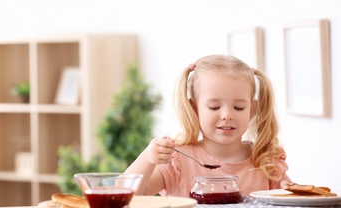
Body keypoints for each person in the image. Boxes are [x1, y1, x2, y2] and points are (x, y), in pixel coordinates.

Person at [124, 54, 291, 197]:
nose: (227, 115)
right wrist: (147, 158)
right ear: (194, 108)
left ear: (252, 110)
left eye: (239, 107)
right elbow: (124, 194)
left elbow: (297, 201)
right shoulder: (179, 161)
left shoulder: (267, 163)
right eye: (214, 107)